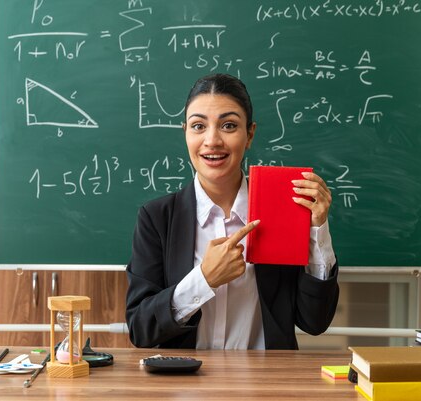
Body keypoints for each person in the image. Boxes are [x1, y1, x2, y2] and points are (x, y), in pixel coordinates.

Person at [125, 73, 339, 350]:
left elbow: (315, 322)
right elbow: (141, 329)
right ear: (185, 134)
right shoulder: (157, 218)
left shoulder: (283, 208)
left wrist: (317, 229)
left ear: (250, 135)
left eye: (228, 125)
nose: (212, 140)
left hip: (267, 386)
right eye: (198, 126)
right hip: (185, 387)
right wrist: (204, 279)